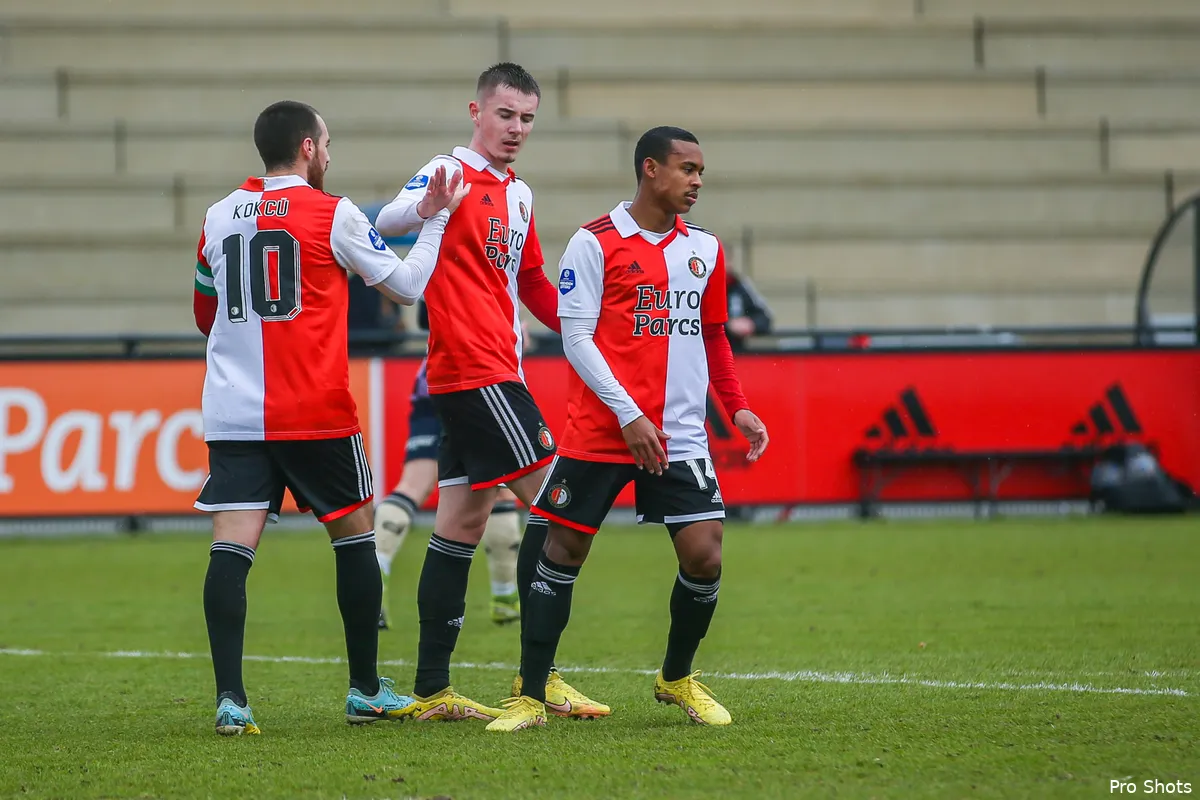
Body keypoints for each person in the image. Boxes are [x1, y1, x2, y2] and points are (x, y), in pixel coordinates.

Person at [190, 100, 469, 735]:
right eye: (327, 142)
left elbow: (207, 316)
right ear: (309, 148)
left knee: (231, 547)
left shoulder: (217, 215)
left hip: (235, 413)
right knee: (355, 537)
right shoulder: (332, 211)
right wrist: (435, 219)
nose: (329, 153)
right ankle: (364, 689)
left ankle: (231, 700)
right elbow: (407, 287)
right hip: (314, 410)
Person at [486, 126, 770, 733]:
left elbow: (714, 336)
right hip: (601, 430)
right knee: (565, 550)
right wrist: (628, 413)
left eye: (701, 171)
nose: (697, 181)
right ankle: (531, 695)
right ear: (650, 169)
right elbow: (576, 338)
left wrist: (737, 406)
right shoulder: (594, 243)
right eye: (687, 168)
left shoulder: (706, 250)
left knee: (705, 556)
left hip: (680, 434)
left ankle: (677, 677)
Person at [374, 62, 609, 722]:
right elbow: (389, 218)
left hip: (489, 373)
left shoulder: (519, 194)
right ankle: (539, 680)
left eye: (527, 118)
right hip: (477, 373)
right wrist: (424, 209)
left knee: (461, 525)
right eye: (505, 114)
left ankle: (432, 689)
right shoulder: (449, 170)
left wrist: (586, 327)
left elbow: (531, 282)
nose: (517, 128)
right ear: (476, 112)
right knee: (560, 510)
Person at [374, 304, 526, 630]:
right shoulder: (491, 278)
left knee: (413, 484)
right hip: (479, 380)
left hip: (431, 380)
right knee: (499, 486)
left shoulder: (439, 273)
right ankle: (505, 597)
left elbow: (422, 315)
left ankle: (373, 576)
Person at [725, 269, 773, 351]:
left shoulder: (739, 284)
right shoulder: (706, 285)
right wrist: (727, 324)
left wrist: (751, 323)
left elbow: (765, 317)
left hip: (737, 350)